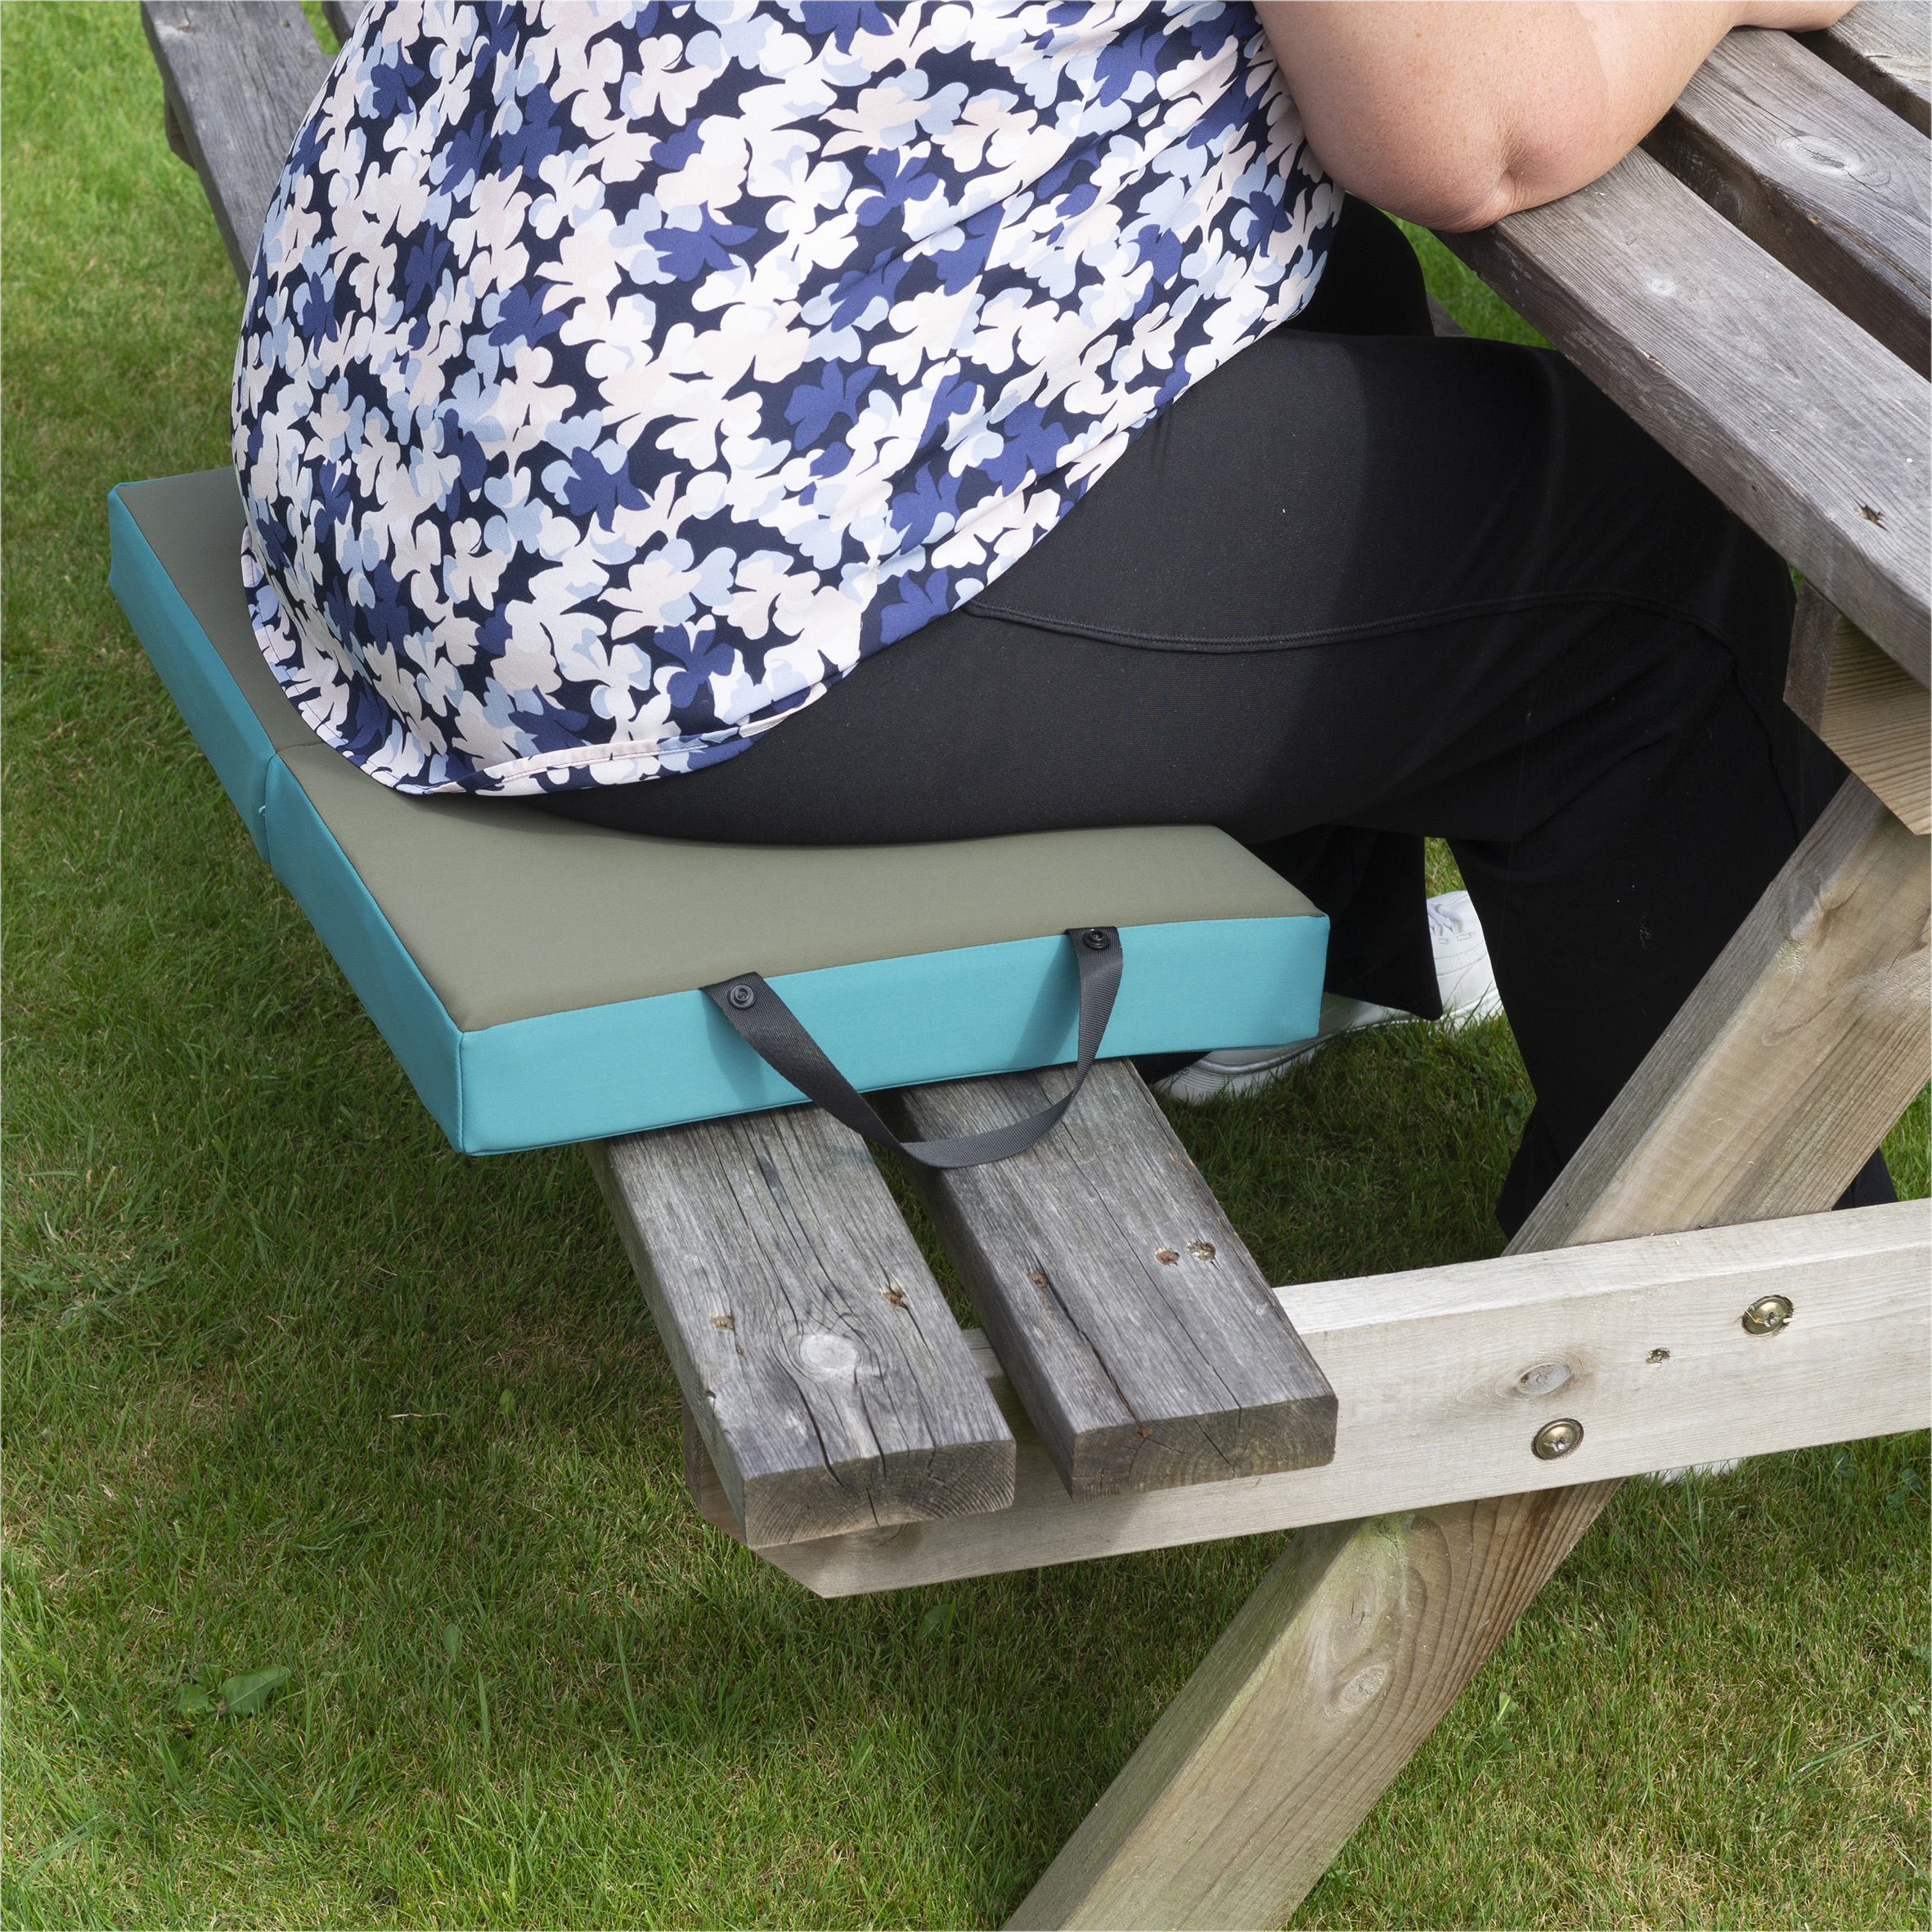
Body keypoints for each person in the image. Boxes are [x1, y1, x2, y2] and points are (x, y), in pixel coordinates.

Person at [234, 0, 1888, 1233]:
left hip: (387, 428)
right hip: (629, 583)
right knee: (1641, 562)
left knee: (1321, 282)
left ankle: (1261, 985)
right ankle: (1738, 1252)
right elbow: (1465, 129)